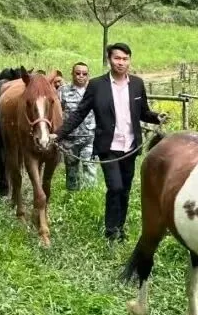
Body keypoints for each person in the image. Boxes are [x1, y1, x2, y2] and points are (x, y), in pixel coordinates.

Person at [51, 43, 168, 242]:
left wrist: (157, 117)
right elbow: (79, 114)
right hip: (108, 147)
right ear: (109, 60)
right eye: (117, 58)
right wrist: (58, 135)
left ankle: (120, 228)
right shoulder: (97, 85)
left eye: (125, 59)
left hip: (130, 146)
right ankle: (111, 231)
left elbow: (143, 112)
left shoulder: (137, 84)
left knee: (125, 190)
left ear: (129, 61)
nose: (121, 62)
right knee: (115, 187)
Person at [58, 62, 97, 191]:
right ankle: (72, 198)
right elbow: (57, 112)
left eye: (84, 74)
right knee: (71, 172)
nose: (81, 76)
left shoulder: (94, 90)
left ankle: (90, 197)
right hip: (70, 139)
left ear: (88, 75)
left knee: (90, 168)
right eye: (78, 73)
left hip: (89, 137)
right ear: (72, 74)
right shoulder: (63, 91)